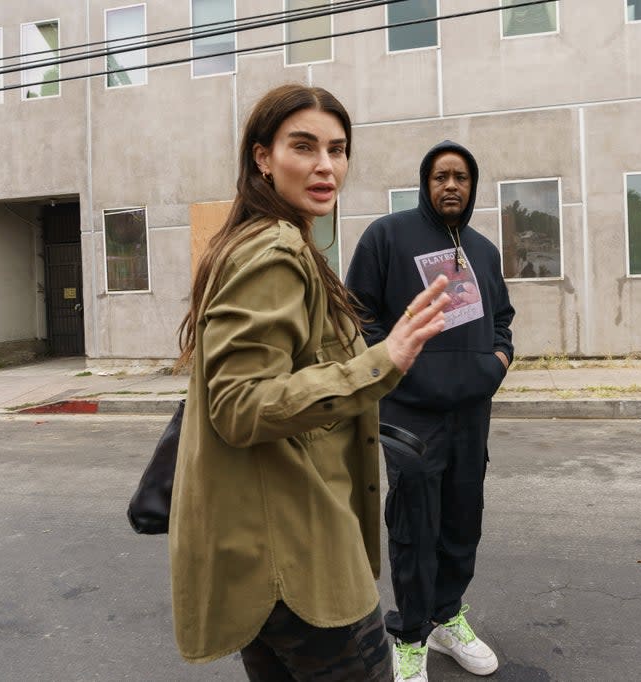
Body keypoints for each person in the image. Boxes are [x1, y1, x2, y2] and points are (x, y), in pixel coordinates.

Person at [168, 84, 451, 681]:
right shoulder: (274, 250)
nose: (327, 166)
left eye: (338, 149)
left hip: (269, 558)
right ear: (261, 157)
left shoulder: (263, 240)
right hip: (298, 564)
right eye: (304, 146)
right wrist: (384, 359)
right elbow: (240, 405)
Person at [345, 141, 515, 681]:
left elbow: (504, 318)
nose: (451, 186)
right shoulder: (387, 237)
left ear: (472, 186)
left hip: (470, 413)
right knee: (415, 527)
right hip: (409, 415)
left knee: (463, 522)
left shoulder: (484, 251)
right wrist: (397, 368)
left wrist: (498, 361)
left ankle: (447, 617)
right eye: (441, 176)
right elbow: (357, 314)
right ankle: (411, 635)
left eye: (461, 177)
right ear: (426, 183)